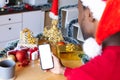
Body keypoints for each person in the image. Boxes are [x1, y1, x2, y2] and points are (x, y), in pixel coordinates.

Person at [48, 0, 120, 80]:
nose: (78, 19)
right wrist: (63, 70)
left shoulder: (85, 75)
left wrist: (79, 75)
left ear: (90, 14)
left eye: (79, 12)